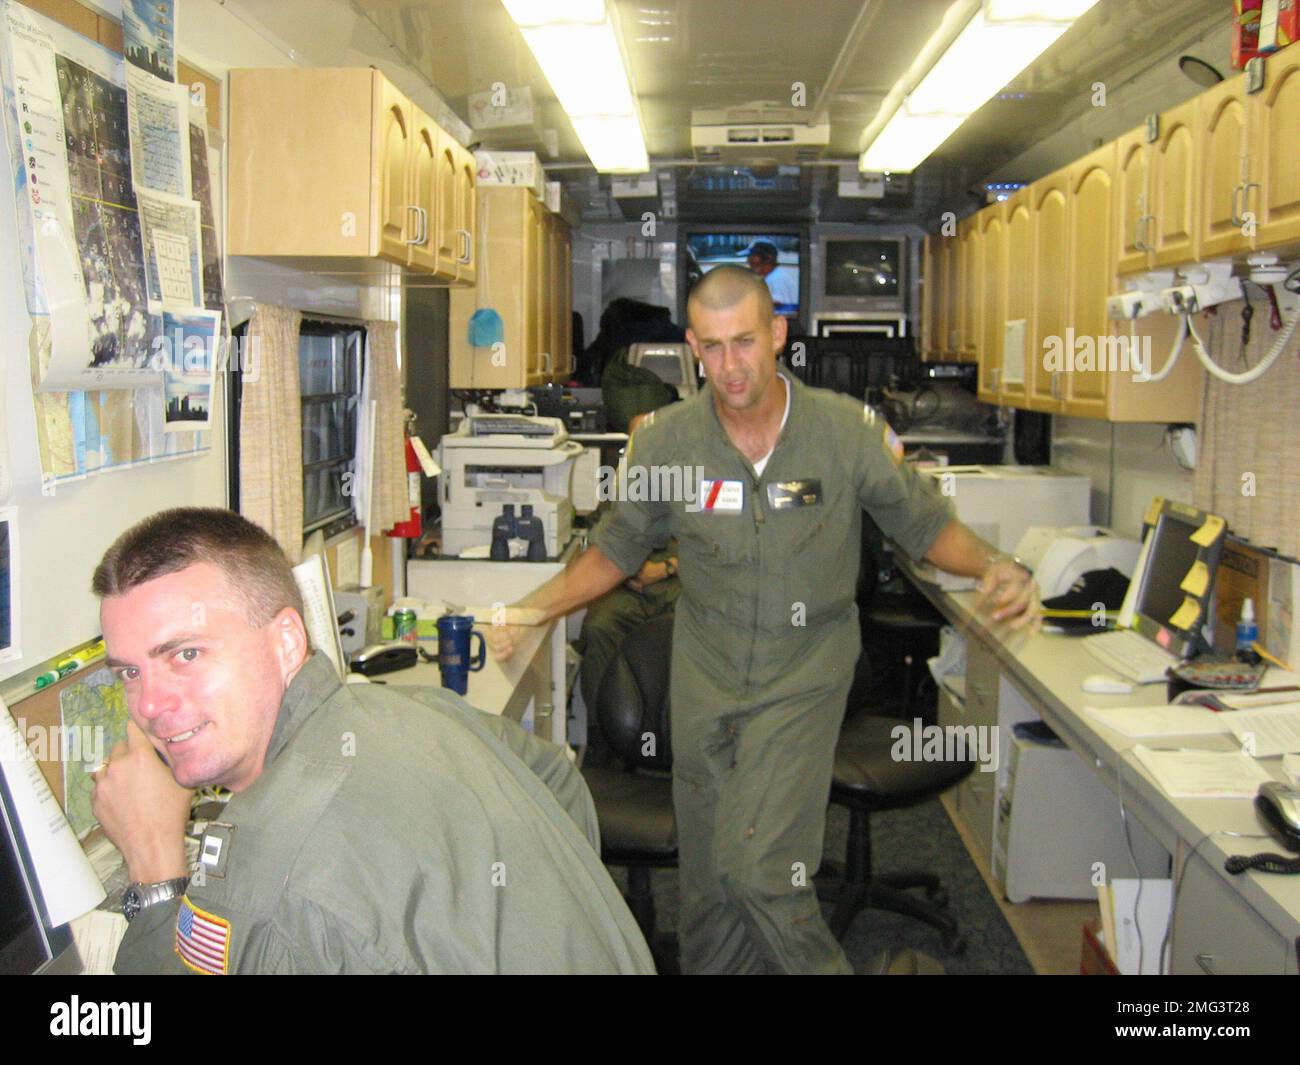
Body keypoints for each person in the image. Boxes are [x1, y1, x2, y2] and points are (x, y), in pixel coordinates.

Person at [488, 266, 1039, 974]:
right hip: (706, 678)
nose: (730, 366)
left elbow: (923, 524)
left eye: (744, 342)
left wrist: (992, 563)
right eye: (712, 347)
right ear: (691, 347)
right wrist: (534, 608)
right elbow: (617, 549)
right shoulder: (667, 443)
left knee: (764, 875)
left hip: (804, 675)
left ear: (777, 334)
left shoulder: (842, 433)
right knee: (711, 895)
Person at [90, 508, 654, 974]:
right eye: (129, 673)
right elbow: (558, 780)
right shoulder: (420, 709)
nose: (149, 707)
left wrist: (154, 868)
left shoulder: (267, 878)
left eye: (185, 655)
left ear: (287, 640)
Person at [743, 240, 799, 314]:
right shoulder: (774, 276)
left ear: (768, 259)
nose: (748, 260)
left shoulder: (775, 280)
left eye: (753, 256)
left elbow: (782, 312)